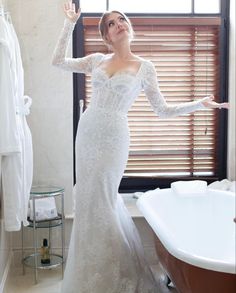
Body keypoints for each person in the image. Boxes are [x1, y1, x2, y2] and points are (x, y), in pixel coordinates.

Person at [52, 2, 229, 292]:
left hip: (114, 136)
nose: (119, 23)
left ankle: (116, 274)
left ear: (129, 28)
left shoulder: (145, 67)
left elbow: (163, 110)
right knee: (86, 198)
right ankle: (89, 274)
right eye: (111, 23)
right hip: (88, 131)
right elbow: (57, 61)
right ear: (107, 36)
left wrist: (200, 104)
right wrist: (69, 23)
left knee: (105, 200)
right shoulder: (96, 60)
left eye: (122, 19)